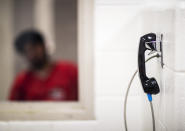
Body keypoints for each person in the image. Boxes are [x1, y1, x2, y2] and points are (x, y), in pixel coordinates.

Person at [9, 30, 78, 101]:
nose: (32, 54)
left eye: (34, 47)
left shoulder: (70, 71)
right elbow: (13, 107)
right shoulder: (22, 81)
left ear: (44, 46)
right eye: (26, 51)